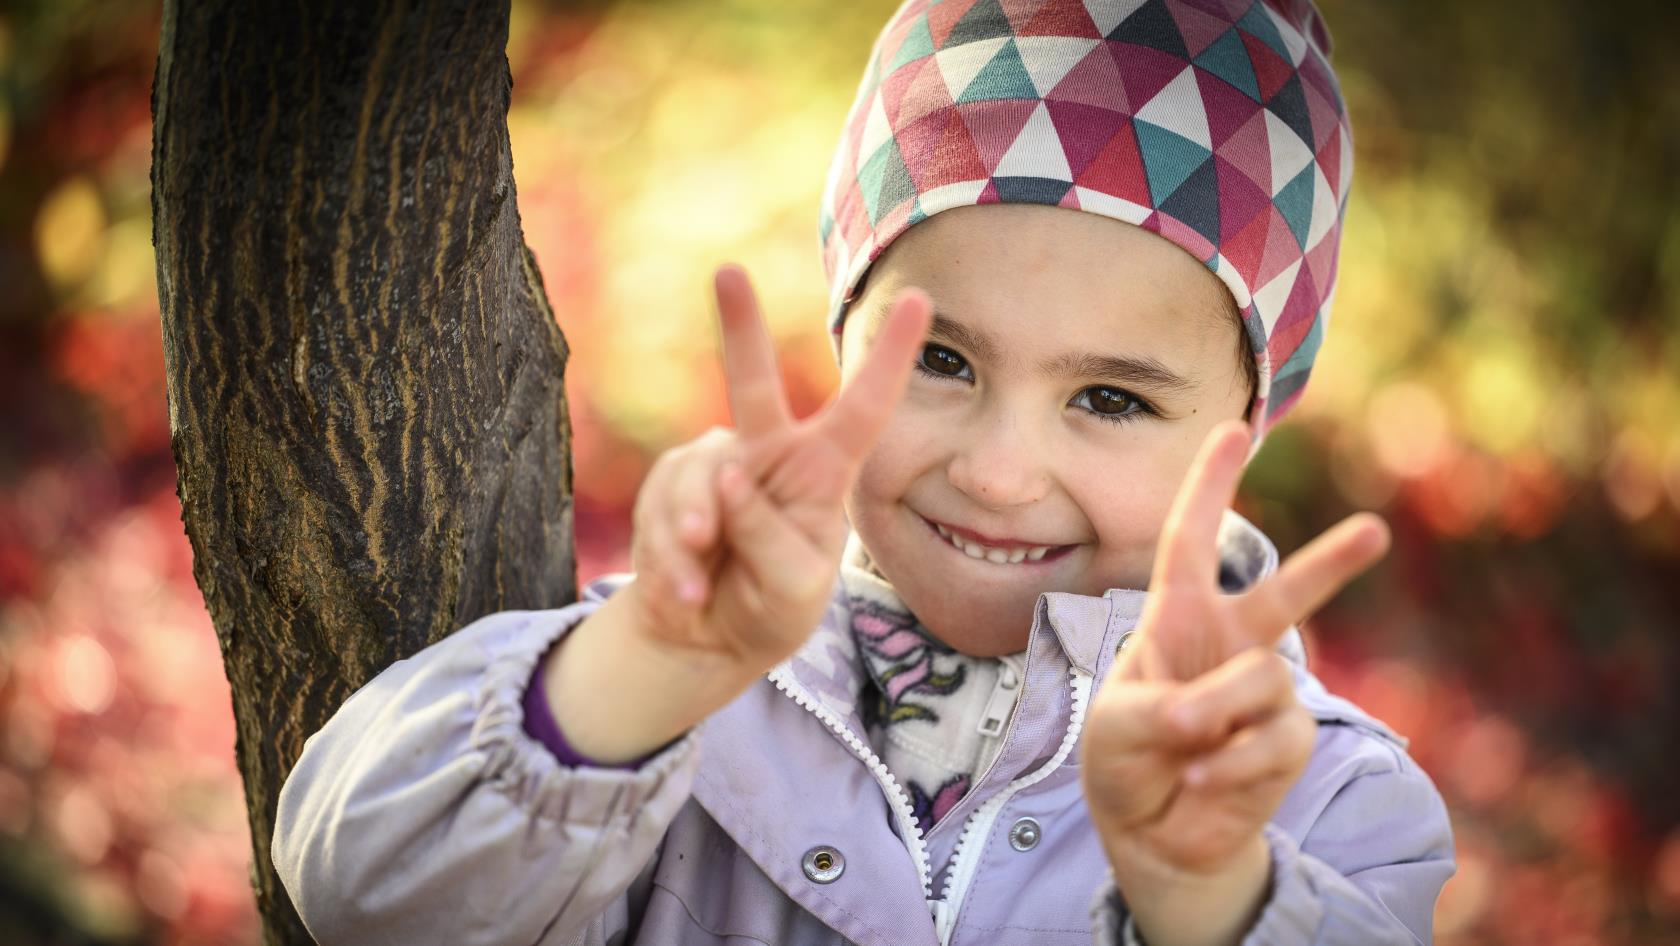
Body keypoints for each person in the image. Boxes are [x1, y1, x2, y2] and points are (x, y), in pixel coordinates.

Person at [272, 1, 1456, 943]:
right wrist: (649, 663)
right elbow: (360, 899)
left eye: (1110, 398)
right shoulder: (681, 674)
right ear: (844, 329)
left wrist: (1205, 891)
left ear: (1250, 421)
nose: (997, 474)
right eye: (938, 357)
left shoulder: (1328, 804)